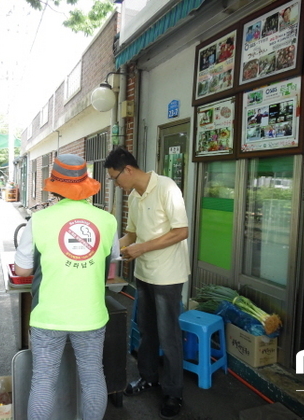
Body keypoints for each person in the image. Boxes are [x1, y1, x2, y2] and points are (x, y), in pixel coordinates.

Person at [14, 154, 119, 420]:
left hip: (48, 316)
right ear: (85, 183)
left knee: (43, 381)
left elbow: (23, 270)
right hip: (91, 314)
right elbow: (111, 269)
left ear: (55, 186)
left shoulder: (39, 220)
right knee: (93, 376)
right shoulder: (107, 220)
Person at [104, 147, 190, 419]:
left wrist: (143, 248)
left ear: (128, 169)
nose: (116, 184)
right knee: (146, 331)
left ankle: (173, 393)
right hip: (144, 274)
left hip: (168, 276)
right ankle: (148, 377)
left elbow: (181, 231)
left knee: (169, 336)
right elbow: (131, 234)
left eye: (115, 178)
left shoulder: (167, 188)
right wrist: (108, 250)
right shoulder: (134, 196)